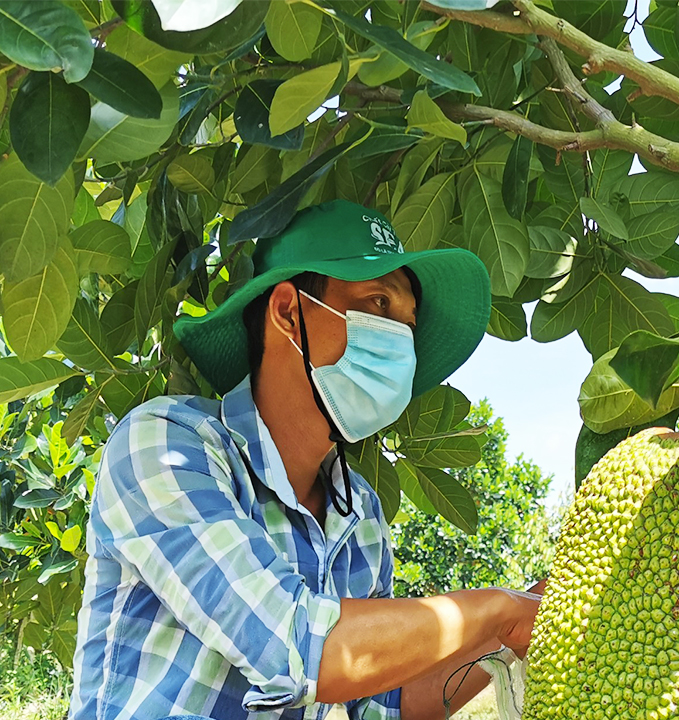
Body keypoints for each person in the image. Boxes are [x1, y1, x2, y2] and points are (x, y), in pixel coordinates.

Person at [70, 200, 540, 720]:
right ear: (289, 313)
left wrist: (521, 618)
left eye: (407, 324)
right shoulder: (167, 444)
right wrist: (495, 606)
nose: (401, 342)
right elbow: (292, 649)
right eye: (379, 303)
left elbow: (385, 701)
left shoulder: (360, 514)